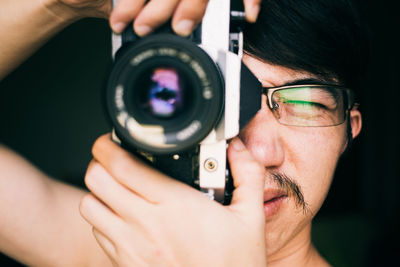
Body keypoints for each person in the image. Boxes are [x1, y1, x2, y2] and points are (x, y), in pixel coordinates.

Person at [0, 0, 368, 266]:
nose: (258, 154)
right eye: (220, 98)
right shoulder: (116, 249)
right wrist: (54, 5)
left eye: (305, 104)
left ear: (348, 133)